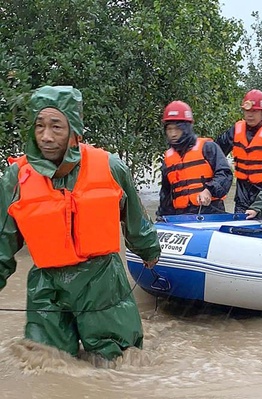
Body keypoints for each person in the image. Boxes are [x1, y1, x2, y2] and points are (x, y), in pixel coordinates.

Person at [0, 86, 161, 360]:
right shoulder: (16, 178)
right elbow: (3, 241)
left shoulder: (110, 167)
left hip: (102, 282)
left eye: (56, 127)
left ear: (75, 129)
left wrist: (149, 251)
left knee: (120, 363)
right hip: (46, 286)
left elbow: (135, 218)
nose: (46, 137)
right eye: (39, 126)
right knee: (46, 361)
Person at [156, 101, 233, 216]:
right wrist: (161, 217)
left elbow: (225, 175)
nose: (173, 134)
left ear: (186, 128)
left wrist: (209, 191)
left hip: (210, 213)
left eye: (177, 129)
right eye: (169, 129)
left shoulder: (208, 148)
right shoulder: (168, 158)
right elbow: (166, 194)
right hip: (181, 217)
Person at [216, 89, 262, 213]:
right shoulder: (235, 131)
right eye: (247, 111)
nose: (250, 115)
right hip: (242, 193)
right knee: (238, 228)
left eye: (254, 111)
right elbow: (216, 152)